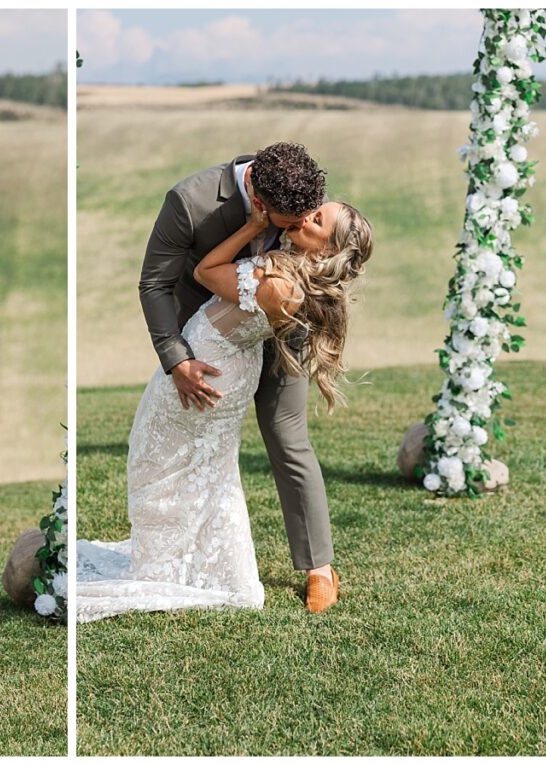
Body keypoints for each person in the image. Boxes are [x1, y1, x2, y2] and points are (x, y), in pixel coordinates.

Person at [76, 198, 373, 622]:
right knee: (207, 470)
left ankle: (316, 566)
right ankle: (182, 561)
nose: (304, 216)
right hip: (228, 358)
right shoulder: (293, 264)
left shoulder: (279, 281)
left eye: (317, 219)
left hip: (222, 359)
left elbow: (205, 272)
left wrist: (253, 226)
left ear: (328, 249)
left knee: (266, 444)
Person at [138, 142, 349, 612]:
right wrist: (177, 359)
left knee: (287, 433)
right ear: (259, 201)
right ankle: (189, 556)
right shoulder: (188, 201)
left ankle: (319, 566)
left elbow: (331, 244)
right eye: (289, 223)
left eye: (308, 218)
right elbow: (153, 283)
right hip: (213, 342)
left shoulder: (294, 186)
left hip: (283, 332)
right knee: (197, 449)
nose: (298, 229)